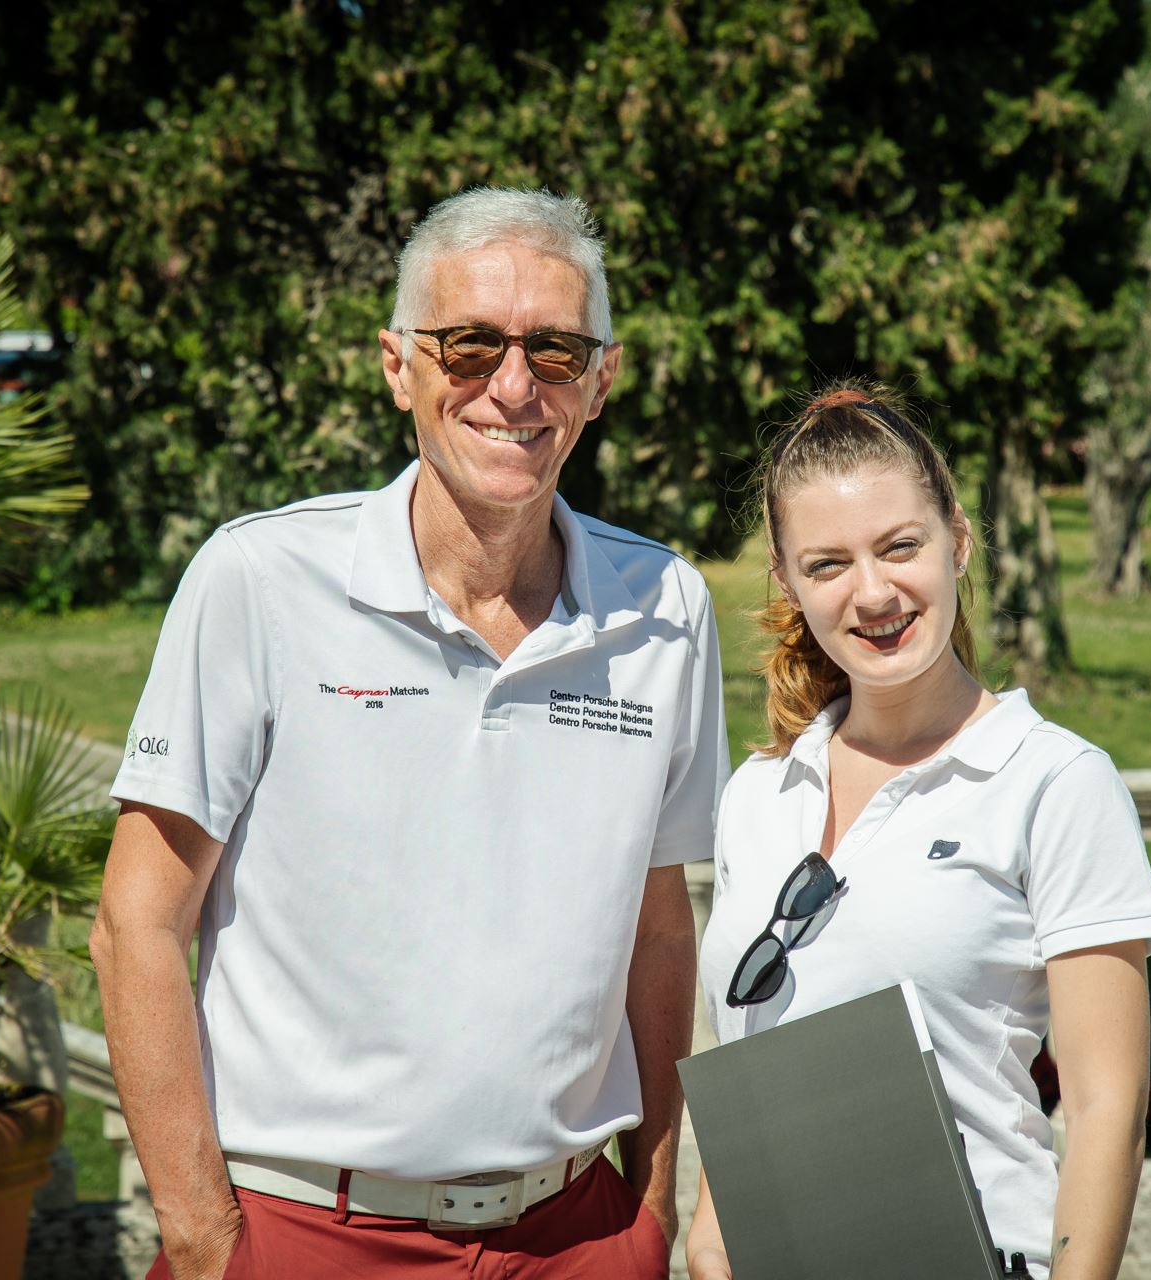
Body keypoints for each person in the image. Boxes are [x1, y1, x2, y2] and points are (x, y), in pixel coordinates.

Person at [93, 187, 728, 1280]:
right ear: (398, 365)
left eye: (556, 350)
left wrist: (652, 1208)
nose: (514, 386)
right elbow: (135, 924)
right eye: (469, 345)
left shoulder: (665, 608)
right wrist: (201, 1239)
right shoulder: (260, 580)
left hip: (576, 1236)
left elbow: (660, 931)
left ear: (602, 379)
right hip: (306, 1236)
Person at [684, 385, 1151, 1280]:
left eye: (900, 546)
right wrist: (710, 1240)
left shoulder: (1054, 782)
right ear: (787, 582)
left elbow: (1109, 1108)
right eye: (828, 564)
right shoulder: (758, 794)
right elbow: (753, 1057)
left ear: (958, 538)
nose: (873, 592)